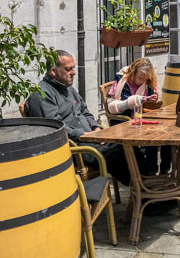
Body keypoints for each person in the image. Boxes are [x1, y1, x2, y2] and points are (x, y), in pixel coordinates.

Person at [25, 50, 131, 185]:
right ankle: (140, 192)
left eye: (73, 68)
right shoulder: (41, 95)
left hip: (91, 139)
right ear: (53, 71)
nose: (74, 72)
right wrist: (85, 134)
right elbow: (56, 129)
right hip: (74, 148)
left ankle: (148, 187)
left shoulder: (68, 88)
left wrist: (96, 128)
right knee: (117, 154)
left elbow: (85, 111)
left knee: (129, 146)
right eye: (68, 69)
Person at [108, 58, 171, 175]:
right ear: (133, 72)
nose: (142, 81)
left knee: (168, 134)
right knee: (152, 136)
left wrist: (152, 100)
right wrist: (138, 101)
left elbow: (150, 102)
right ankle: (151, 171)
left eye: (145, 78)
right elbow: (116, 107)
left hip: (145, 116)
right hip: (127, 120)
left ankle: (165, 170)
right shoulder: (122, 82)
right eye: (140, 77)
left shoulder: (148, 82)